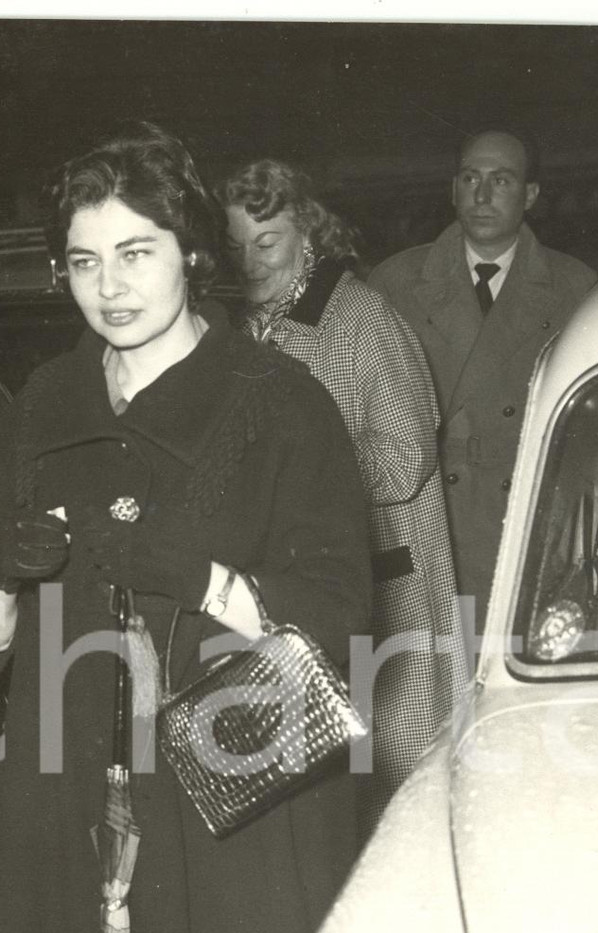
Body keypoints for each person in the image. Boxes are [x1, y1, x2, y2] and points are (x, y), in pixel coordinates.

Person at [0, 124, 372, 933]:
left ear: (191, 249)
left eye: (136, 251)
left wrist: (210, 578)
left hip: (223, 801)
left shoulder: (277, 405)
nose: (109, 286)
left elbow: (341, 621)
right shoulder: (43, 401)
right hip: (69, 786)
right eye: (84, 261)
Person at [218, 158, 460, 828]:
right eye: (235, 247)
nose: (251, 263)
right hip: (302, 593)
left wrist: (307, 474)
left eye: (266, 244)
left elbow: (408, 456)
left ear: (310, 234)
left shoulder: (362, 319)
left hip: (390, 597)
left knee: (398, 797)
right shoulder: (241, 329)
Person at [368, 128, 597, 634]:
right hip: (419, 519)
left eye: (501, 180)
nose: (482, 194)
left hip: (521, 526)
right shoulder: (395, 282)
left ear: (530, 196)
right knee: (405, 693)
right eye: (470, 178)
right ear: (453, 190)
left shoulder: (575, 287)